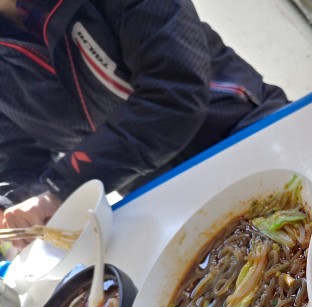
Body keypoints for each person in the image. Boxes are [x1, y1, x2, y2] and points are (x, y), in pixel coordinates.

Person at [0, 0, 289, 248]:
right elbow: (20, 157)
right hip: (160, 198)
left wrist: (59, 186)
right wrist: (13, 208)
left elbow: (175, 92)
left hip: (246, 134)